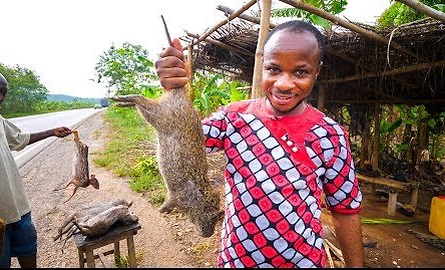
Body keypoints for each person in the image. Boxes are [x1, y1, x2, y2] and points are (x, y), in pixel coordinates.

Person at [155, 20, 364, 268]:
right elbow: (181, 139)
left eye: (300, 72)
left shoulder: (330, 135)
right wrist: (175, 90)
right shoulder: (232, 119)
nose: (284, 84)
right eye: (274, 69)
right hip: (237, 262)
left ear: (317, 71)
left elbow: (346, 210)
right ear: (262, 65)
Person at [0, 65, 73, 268]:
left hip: (16, 207)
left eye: (4, 93)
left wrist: (51, 132)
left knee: (28, 248)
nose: (0, 98)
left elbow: (18, 139)